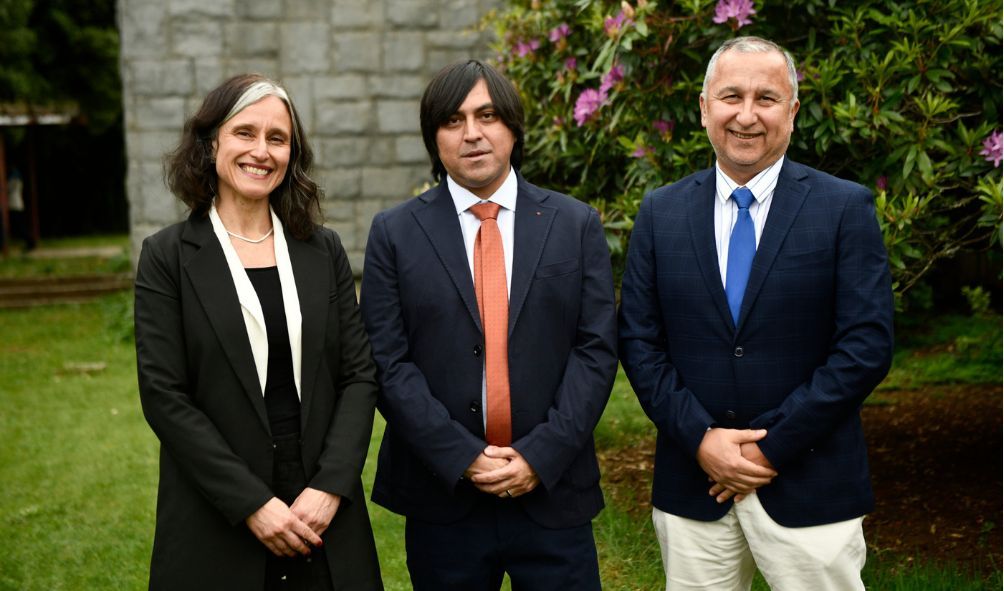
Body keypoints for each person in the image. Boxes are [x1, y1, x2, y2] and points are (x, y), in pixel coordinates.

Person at [618, 36, 894, 591]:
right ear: (704, 109)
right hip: (694, 487)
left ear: (792, 111)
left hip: (811, 484)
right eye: (731, 96)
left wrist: (769, 448)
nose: (746, 115)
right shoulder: (660, 212)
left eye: (766, 98)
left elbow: (865, 347)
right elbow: (640, 343)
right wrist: (702, 439)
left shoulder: (844, 207)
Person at [359, 60, 618, 590]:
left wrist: (540, 455)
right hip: (444, 497)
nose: (472, 133)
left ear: (513, 128)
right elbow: (387, 362)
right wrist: (463, 457)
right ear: (433, 138)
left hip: (553, 493)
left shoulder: (575, 224)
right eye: (453, 120)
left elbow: (595, 350)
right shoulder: (394, 233)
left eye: (487, 115)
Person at [134, 73, 383, 591]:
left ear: (292, 153)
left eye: (277, 138)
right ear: (211, 144)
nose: (261, 151)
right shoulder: (167, 257)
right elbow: (164, 395)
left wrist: (332, 485)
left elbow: (359, 375)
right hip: (218, 509)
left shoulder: (323, 250)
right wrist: (252, 503)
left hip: (320, 506)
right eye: (245, 133)